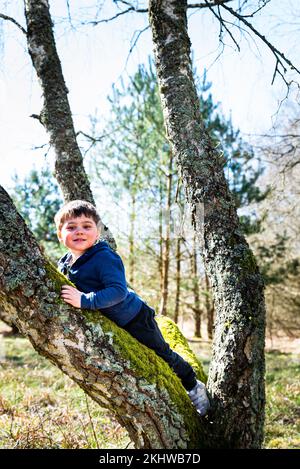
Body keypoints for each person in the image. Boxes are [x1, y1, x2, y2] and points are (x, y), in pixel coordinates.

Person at [55, 199, 210, 416]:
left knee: (162, 353)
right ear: (60, 235)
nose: (79, 231)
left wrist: (85, 301)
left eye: (86, 226)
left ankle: (193, 385)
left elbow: (117, 291)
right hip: (114, 321)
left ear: (97, 233)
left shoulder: (104, 257)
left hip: (135, 317)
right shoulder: (65, 262)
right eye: (71, 227)